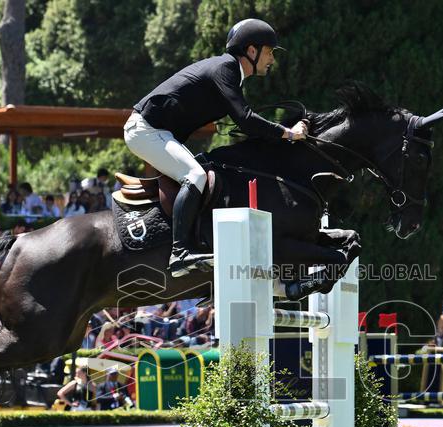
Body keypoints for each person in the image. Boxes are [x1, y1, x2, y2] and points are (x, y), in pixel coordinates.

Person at [125, 18, 307, 277]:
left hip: (156, 131)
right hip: (145, 131)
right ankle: (180, 253)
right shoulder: (226, 69)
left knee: (204, 171)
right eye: (269, 52)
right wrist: (288, 133)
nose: (272, 60)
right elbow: (245, 119)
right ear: (251, 51)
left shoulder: (230, 73)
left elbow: (243, 123)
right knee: (195, 175)